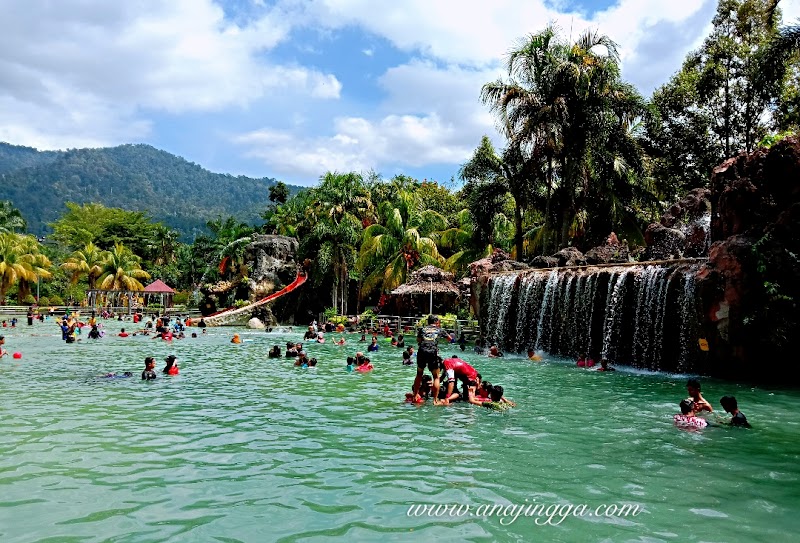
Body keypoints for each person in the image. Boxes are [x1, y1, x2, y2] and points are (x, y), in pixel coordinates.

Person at [413, 315, 448, 401]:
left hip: (422, 350)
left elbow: (418, 340)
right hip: (432, 351)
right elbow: (450, 339)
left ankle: (415, 396)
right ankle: (435, 400)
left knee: (419, 374)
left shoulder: (422, 329)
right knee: (436, 376)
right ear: (437, 322)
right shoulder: (439, 329)